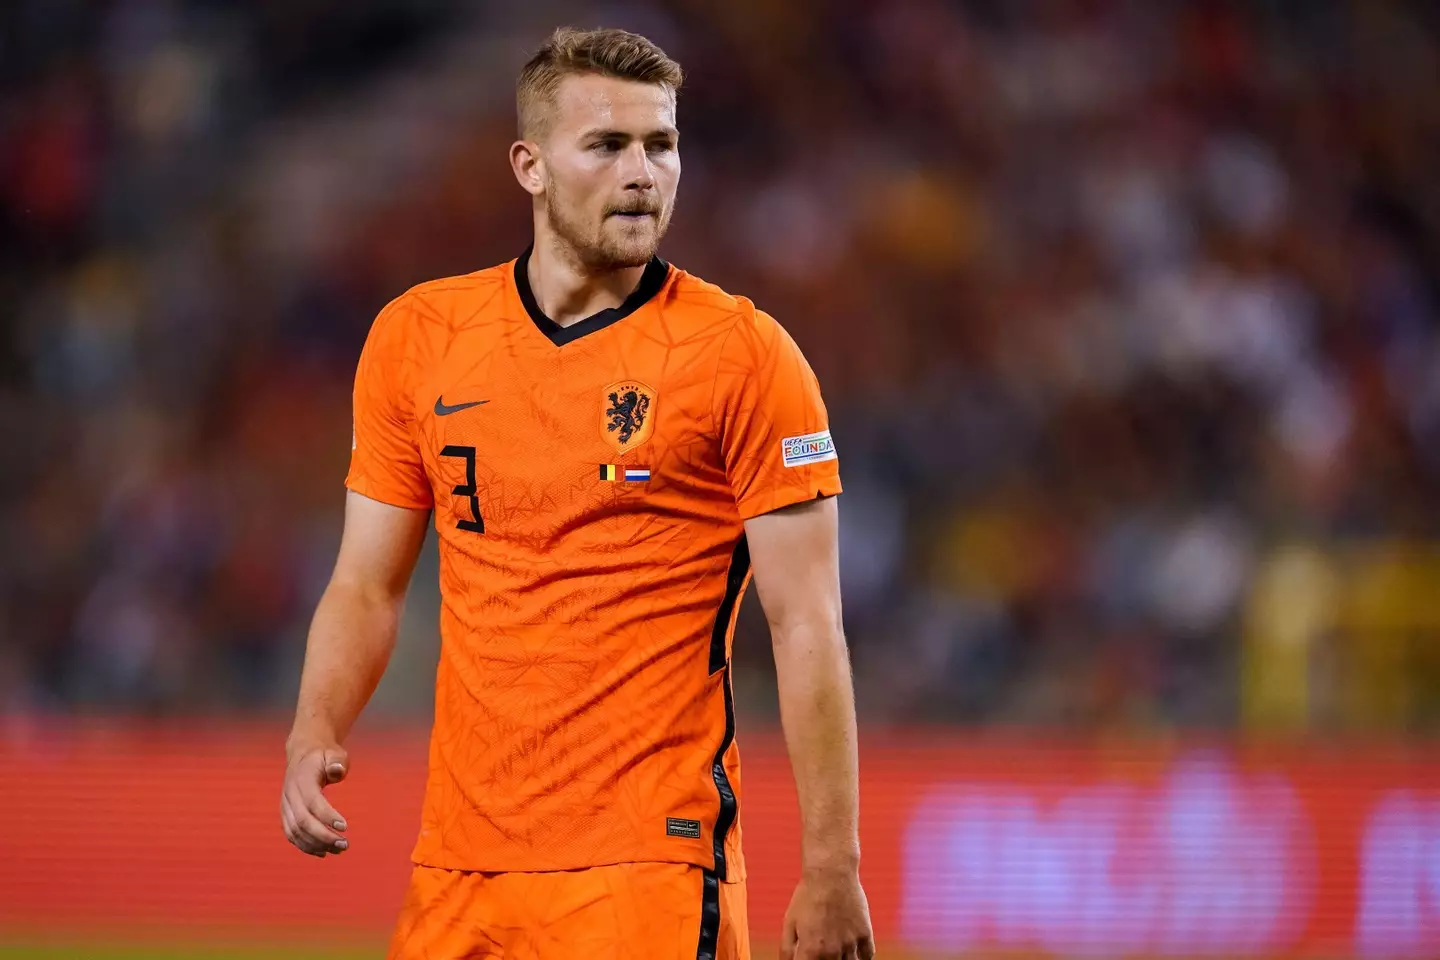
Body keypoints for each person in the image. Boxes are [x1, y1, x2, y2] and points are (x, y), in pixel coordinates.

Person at [279, 26, 873, 960]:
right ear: (531, 165)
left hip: (648, 865)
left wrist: (832, 863)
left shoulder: (745, 358)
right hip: (458, 863)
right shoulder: (419, 337)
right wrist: (315, 725)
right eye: (607, 145)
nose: (644, 173)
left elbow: (808, 624)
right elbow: (367, 584)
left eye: (662, 145)